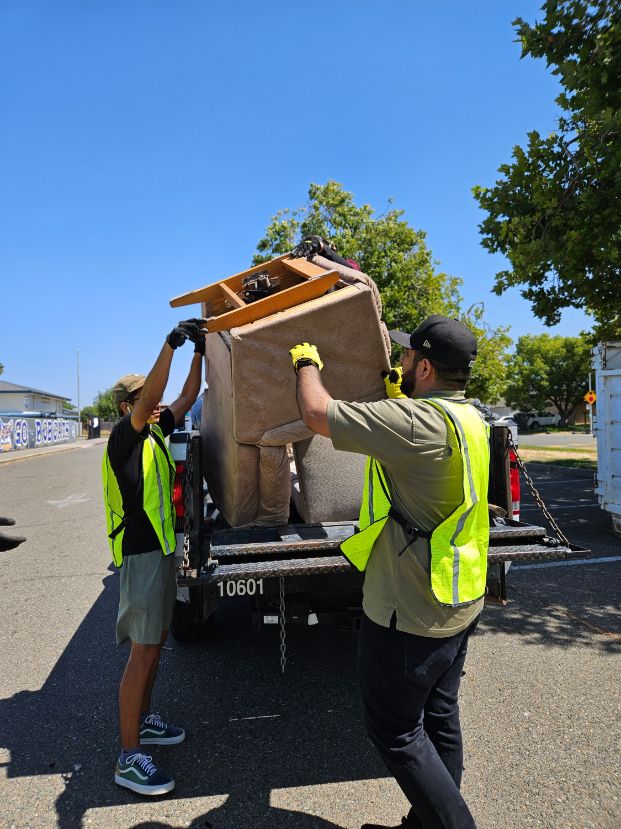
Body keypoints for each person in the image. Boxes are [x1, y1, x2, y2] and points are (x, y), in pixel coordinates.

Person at [289, 315, 490, 829]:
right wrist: (400, 398)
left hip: (410, 609)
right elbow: (418, 438)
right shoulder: (470, 419)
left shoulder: (416, 424)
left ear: (423, 366)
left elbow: (316, 413)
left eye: (405, 356)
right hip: (458, 596)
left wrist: (306, 362)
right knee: (440, 717)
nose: (397, 361)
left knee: (398, 732)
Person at [102, 318, 205, 796]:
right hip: (141, 556)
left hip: (163, 550)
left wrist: (200, 352)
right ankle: (128, 758)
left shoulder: (158, 431)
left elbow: (184, 397)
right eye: (144, 396)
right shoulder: (125, 436)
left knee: (158, 641)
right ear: (128, 406)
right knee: (141, 654)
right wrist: (170, 344)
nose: (156, 400)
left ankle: (144, 724)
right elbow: (156, 394)